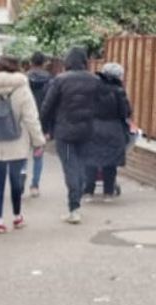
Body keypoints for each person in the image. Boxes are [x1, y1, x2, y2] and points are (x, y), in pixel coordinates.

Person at [0, 55, 45, 233]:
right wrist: (38, 140)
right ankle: (17, 217)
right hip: (17, 141)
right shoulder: (22, 88)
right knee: (16, 181)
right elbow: (31, 117)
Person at [40, 47, 102, 224]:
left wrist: (44, 127)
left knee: (70, 166)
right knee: (81, 164)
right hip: (86, 133)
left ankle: (74, 208)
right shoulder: (95, 80)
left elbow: (47, 106)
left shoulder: (60, 80)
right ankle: (78, 194)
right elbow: (100, 105)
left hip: (65, 134)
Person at [84, 62, 132, 201]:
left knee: (91, 160)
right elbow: (126, 112)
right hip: (113, 129)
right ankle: (108, 193)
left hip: (93, 128)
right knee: (110, 162)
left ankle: (88, 192)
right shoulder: (119, 91)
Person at [26, 52, 54, 197]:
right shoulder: (50, 80)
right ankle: (35, 186)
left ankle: (20, 177)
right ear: (43, 63)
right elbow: (51, 105)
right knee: (38, 155)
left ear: (31, 62)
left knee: (22, 154)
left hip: (24, 122)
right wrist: (49, 129)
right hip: (41, 124)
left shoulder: (23, 79)